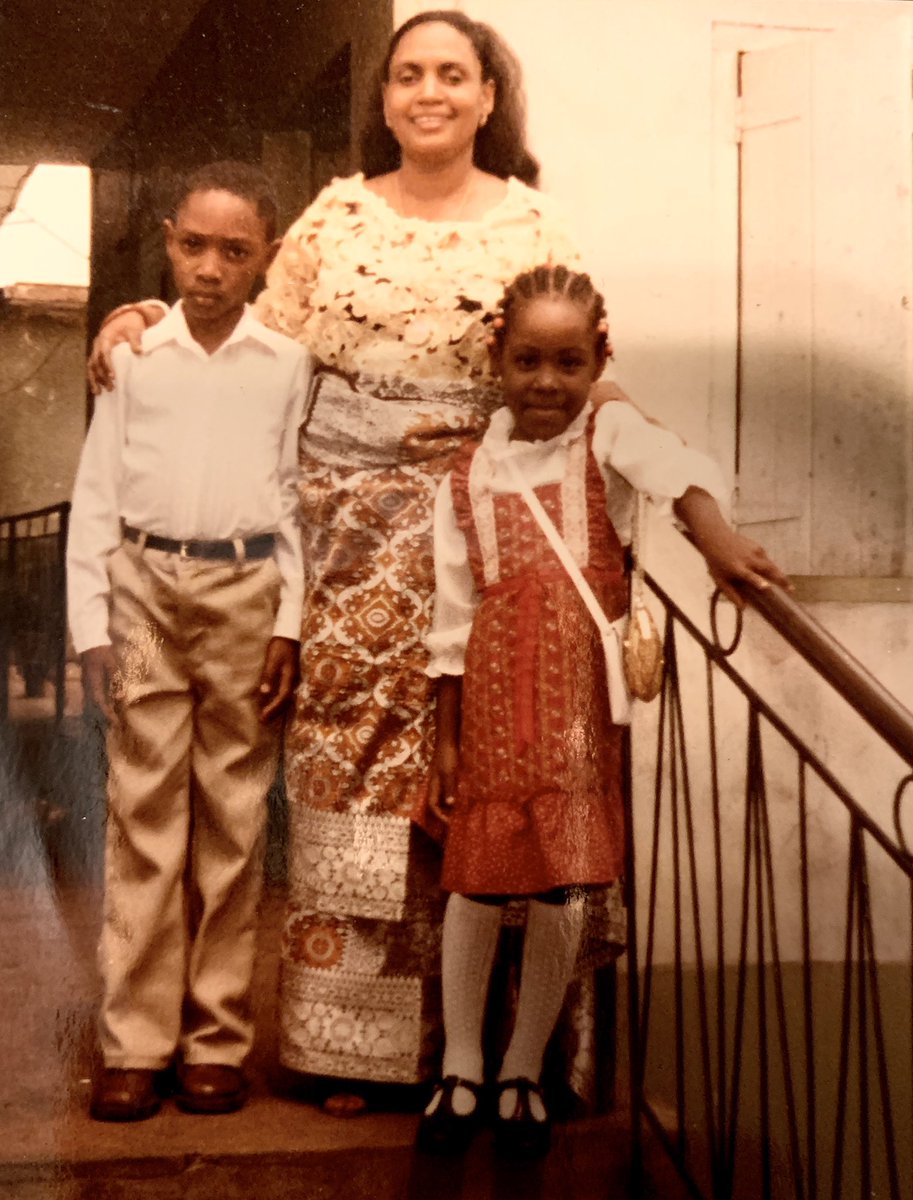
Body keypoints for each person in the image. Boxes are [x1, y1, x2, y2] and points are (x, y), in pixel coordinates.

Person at [87, 11, 620, 1113]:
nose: (429, 92)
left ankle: (478, 1057)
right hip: (340, 539)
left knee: (488, 766)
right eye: (408, 75)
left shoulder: (535, 225)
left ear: (485, 97)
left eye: (452, 76)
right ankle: (350, 1051)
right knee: (352, 771)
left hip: (485, 525)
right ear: (384, 99)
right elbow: (241, 339)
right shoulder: (333, 217)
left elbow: (578, 364)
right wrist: (138, 313)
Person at [417, 263, 788, 1158]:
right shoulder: (468, 472)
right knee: (476, 874)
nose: (547, 383)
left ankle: (520, 1068)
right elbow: (451, 614)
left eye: (569, 363)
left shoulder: (605, 435)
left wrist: (719, 542)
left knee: (560, 877)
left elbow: (676, 471)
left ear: (599, 364)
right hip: (498, 696)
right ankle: (460, 1068)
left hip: (580, 696)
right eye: (527, 361)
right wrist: (446, 737)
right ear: (496, 361)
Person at [68, 161, 311, 1122]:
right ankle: (132, 1041)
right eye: (193, 245)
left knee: (234, 819)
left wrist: (288, 619)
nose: (209, 268)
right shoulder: (131, 358)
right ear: (167, 240)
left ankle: (215, 1038)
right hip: (143, 590)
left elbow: (295, 503)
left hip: (246, 591)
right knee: (141, 817)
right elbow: (95, 496)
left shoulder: (286, 366)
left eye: (234, 251)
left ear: (266, 260)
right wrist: (92, 625)